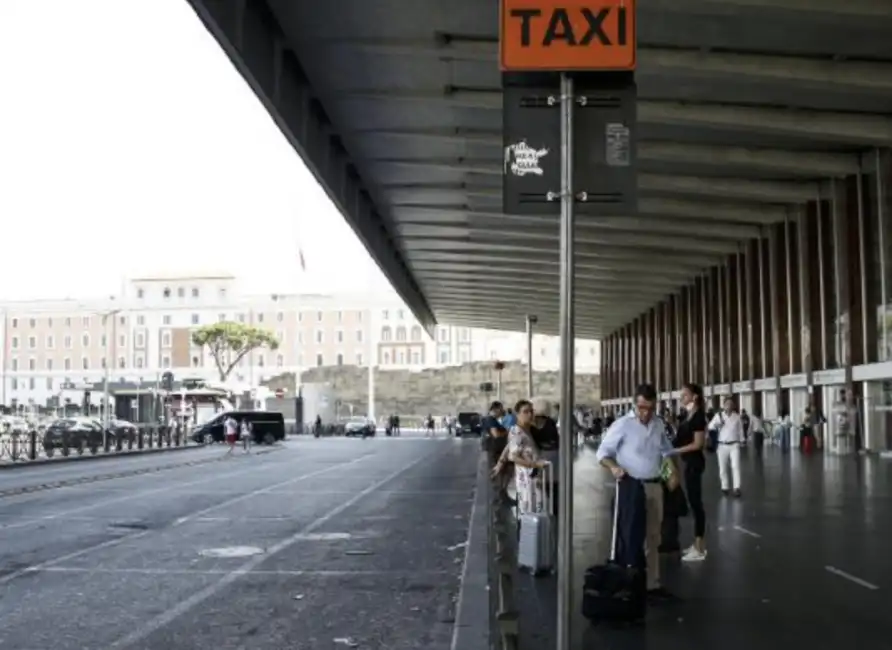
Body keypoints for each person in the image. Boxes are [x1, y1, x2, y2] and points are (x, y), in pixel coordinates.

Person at [596, 383, 680, 601]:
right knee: (630, 535)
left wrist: (671, 472)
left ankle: (652, 584)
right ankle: (628, 582)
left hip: (654, 485)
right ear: (635, 404)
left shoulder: (659, 424)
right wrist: (613, 467)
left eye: (650, 408)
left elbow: (664, 451)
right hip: (631, 487)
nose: (645, 413)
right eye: (642, 407)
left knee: (654, 536)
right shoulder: (622, 425)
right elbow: (602, 453)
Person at [492, 399, 549, 518]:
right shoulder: (517, 432)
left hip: (534, 480)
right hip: (527, 481)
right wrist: (535, 464)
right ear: (517, 414)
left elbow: (509, 447)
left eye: (531, 411)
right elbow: (513, 457)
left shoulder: (527, 429)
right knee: (529, 515)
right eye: (525, 412)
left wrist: (500, 463)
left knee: (535, 512)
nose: (529, 414)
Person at [673, 383, 708, 562]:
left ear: (694, 397)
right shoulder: (689, 415)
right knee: (694, 503)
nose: (682, 398)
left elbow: (698, 444)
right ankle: (697, 544)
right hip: (689, 462)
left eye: (685, 395)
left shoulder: (698, 416)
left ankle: (700, 547)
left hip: (694, 463)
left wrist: (675, 452)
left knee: (696, 504)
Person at [709, 397, 744, 497]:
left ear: (733, 406)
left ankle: (737, 487)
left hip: (734, 444)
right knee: (722, 468)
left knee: (735, 466)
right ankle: (725, 486)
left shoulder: (737, 417)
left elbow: (740, 430)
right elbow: (710, 426)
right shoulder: (718, 416)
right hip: (722, 445)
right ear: (723, 405)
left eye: (731, 403)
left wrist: (742, 440)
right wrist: (717, 424)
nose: (729, 405)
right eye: (727, 403)